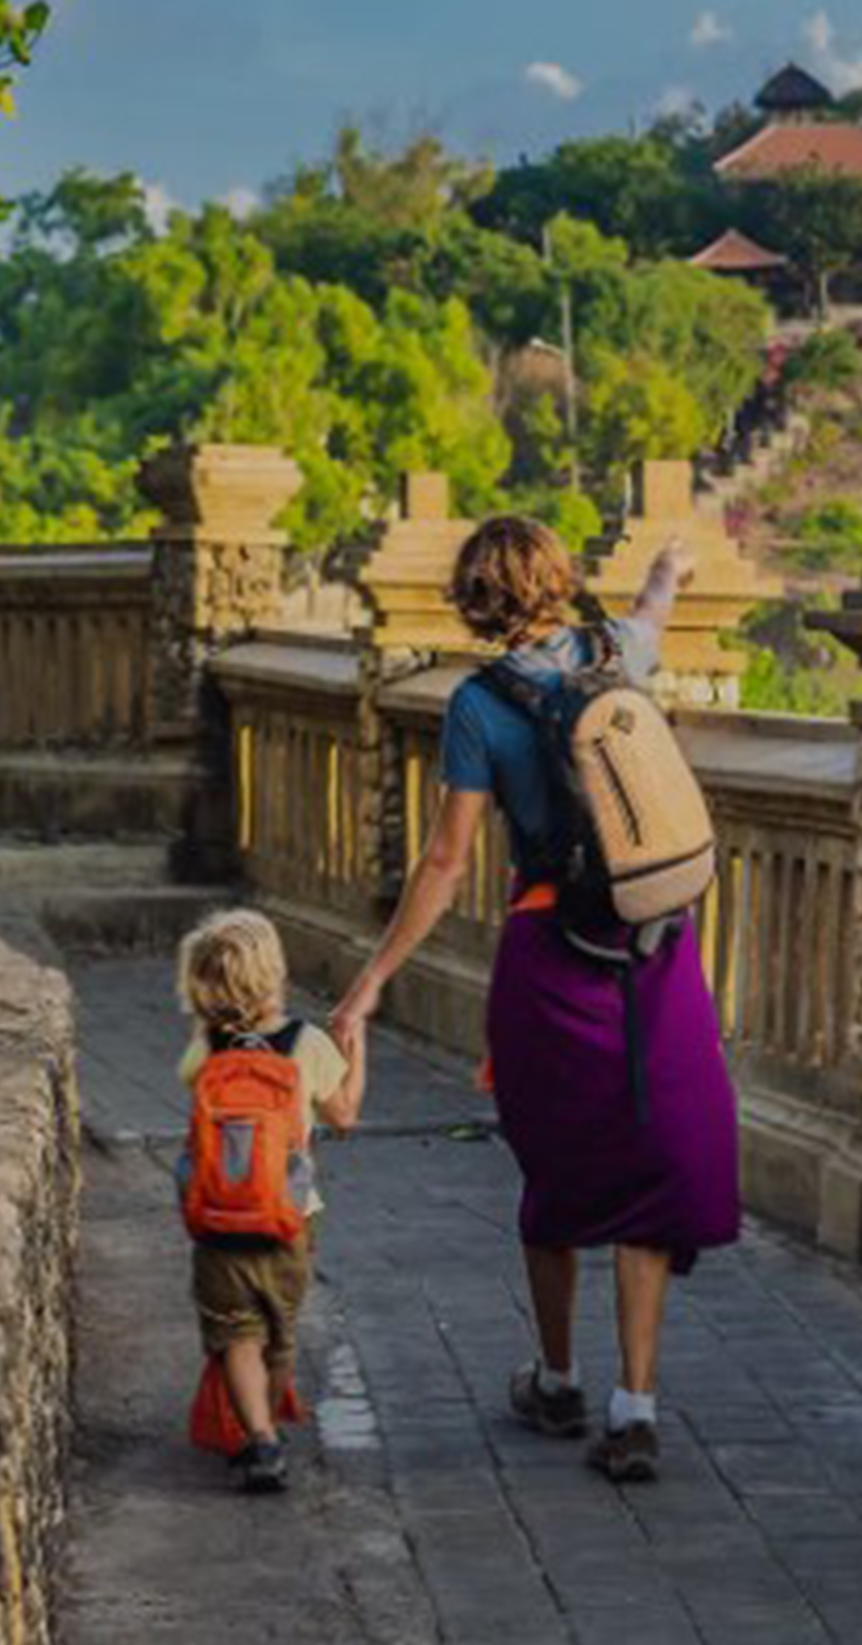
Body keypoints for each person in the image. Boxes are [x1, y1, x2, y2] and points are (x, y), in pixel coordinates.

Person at [328, 517, 738, 1484]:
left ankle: (557, 1379)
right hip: (654, 946)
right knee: (649, 1163)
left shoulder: (477, 706)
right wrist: (668, 567)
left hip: (552, 951)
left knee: (555, 1169)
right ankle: (635, 1404)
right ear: (558, 582)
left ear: (474, 602)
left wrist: (371, 981)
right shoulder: (615, 654)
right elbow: (652, 611)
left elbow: (446, 860)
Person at [176, 908, 365, 1493]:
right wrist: (356, 1051)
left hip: (216, 1220)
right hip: (288, 1220)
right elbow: (343, 1115)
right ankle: (266, 1419)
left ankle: (259, 1439)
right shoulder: (306, 1044)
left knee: (236, 1331)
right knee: (278, 1331)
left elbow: (192, 1087)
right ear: (275, 974)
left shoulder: (205, 1047)